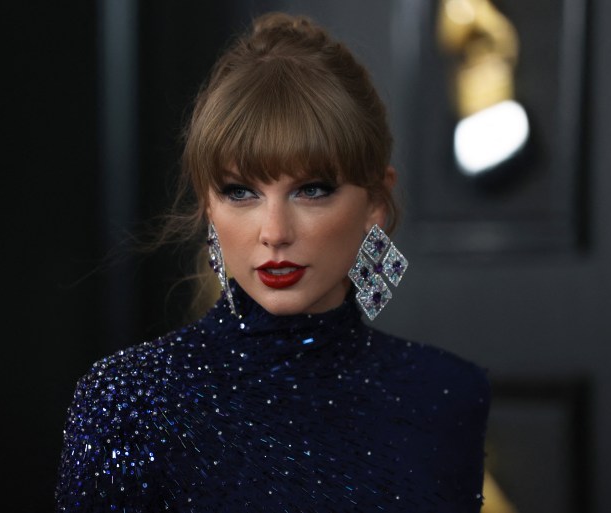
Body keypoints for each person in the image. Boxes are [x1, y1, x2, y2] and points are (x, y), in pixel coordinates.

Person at [56, 12, 490, 512]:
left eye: (312, 190)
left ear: (375, 202)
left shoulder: (448, 393)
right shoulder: (129, 401)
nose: (275, 232)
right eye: (240, 192)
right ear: (208, 206)